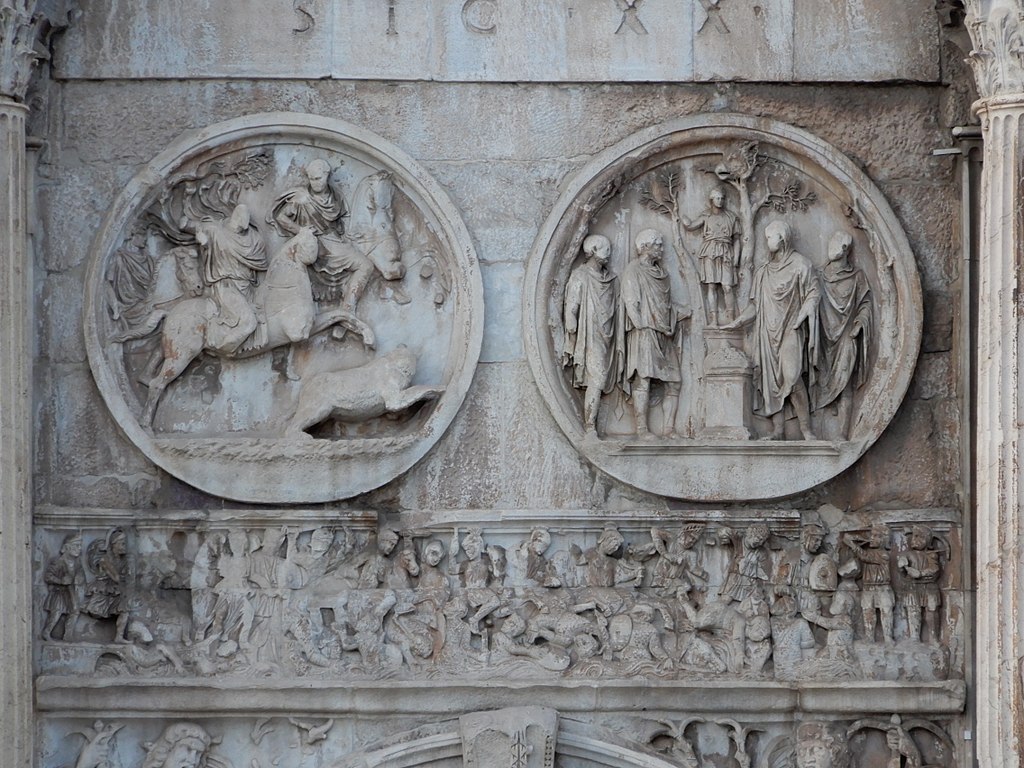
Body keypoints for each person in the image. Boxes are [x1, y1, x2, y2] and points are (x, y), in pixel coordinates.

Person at [723, 220, 819, 440]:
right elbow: (755, 306)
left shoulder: (801, 265)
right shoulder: (763, 272)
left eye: (770, 237)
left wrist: (804, 312)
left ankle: (806, 429)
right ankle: (778, 430)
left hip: (790, 329)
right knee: (770, 382)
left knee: (792, 376)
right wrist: (738, 321)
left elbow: (813, 292)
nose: (767, 242)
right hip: (767, 333)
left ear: (782, 238)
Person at [268, 158, 375, 309]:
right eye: (312, 179)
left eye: (318, 178)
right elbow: (281, 217)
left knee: (366, 265)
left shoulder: (335, 195)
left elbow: (344, 220)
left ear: (327, 175)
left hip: (334, 241)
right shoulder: (302, 198)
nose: (315, 183)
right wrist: (300, 230)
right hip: (311, 243)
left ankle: (348, 307)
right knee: (365, 265)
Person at [621, 229, 689, 438]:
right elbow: (631, 302)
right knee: (643, 379)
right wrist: (642, 326)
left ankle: (668, 429)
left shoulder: (662, 274)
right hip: (644, 332)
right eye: (657, 244)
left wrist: (678, 313)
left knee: (674, 381)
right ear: (644, 247)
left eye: (661, 244)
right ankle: (642, 430)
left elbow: (664, 305)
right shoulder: (633, 270)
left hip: (664, 332)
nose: (661, 248)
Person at [813, 230, 872, 438]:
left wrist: (859, 324)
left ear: (845, 249)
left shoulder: (857, 277)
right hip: (823, 337)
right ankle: (819, 432)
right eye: (831, 242)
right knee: (820, 381)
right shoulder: (819, 275)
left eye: (836, 243)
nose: (831, 246)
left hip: (847, 335)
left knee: (845, 382)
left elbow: (865, 304)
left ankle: (842, 432)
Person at [563, 233, 620, 435]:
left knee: (601, 377)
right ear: (593, 251)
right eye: (606, 249)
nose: (609, 253)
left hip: (608, 334)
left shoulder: (610, 278)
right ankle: (590, 426)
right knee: (597, 378)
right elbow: (572, 305)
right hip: (590, 334)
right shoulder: (580, 276)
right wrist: (571, 321)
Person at [194, 203, 268, 352]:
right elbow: (196, 228)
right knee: (249, 322)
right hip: (226, 286)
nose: (243, 227)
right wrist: (202, 240)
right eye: (241, 223)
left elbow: (261, 258)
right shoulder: (216, 231)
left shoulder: (253, 238)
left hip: (246, 287)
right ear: (235, 218)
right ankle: (224, 349)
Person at [682, 187, 741, 325]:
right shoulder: (706, 216)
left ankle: (731, 318)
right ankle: (713, 320)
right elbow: (691, 226)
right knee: (712, 286)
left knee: (727, 286)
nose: (720, 201)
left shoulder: (731, 217)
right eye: (717, 198)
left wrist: (736, 258)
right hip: (709, 251)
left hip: (726, 252)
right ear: (711, 200)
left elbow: (737, 239)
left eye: (722, 198)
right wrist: (683, 219)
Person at [42, 532, 84, 641]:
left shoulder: (77, 563)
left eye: (80, 545)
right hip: (59, 593)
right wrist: (60, 581)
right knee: (56, 612)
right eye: (76, 545)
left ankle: (68, 635)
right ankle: (46, 632)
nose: (79, 548)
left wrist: (79, 578)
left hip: (71, 593)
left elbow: (80, 574)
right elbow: (48, 576)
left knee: (75, 611)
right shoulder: (58, 562)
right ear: (67, 547)